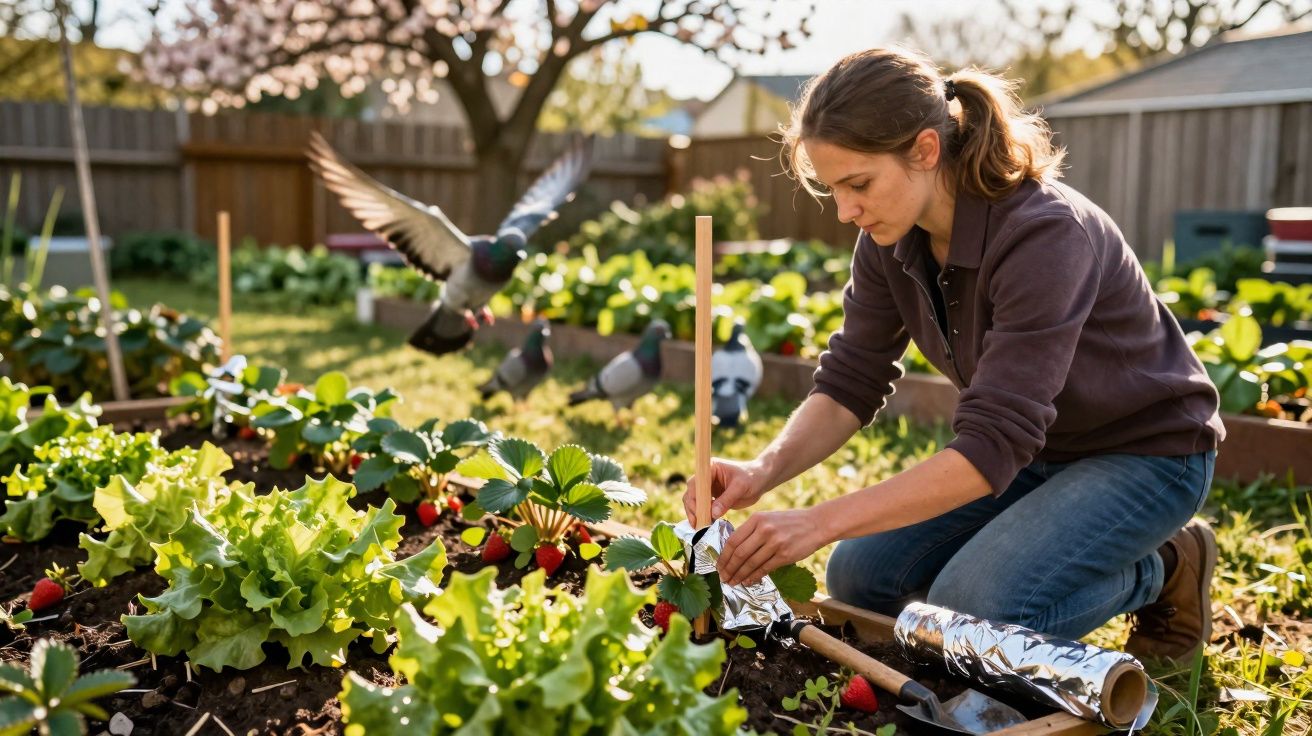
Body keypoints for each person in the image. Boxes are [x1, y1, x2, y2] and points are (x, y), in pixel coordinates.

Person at [683, 47, 1224, 662]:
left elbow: (991, 443)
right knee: (861, 579)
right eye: (834, 189)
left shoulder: (1045, 234)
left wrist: (817, 520)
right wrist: (763, 471)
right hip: (1036, 453)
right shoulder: (888, 237)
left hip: (1147, 455)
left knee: (972, 614)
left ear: (925, 150)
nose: (846, 210)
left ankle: (1164, 566)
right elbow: (852, 379)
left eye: (858, 184)